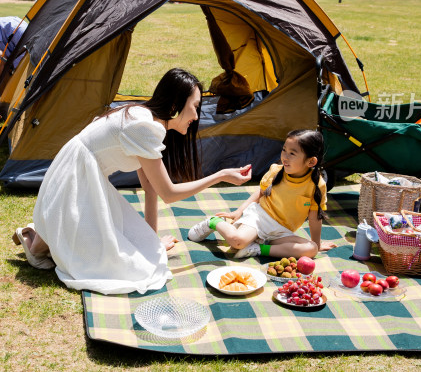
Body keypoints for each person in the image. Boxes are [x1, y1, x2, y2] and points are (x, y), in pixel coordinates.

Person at [13, 68, 252, 294]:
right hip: (75, 179)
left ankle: (44, 231)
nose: (196, 116)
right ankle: (41, 236)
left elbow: (150, 188)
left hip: (75, 174)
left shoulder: (142, 117)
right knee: (119, 266)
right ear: (175, 105)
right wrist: (220, 176)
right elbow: (168, 193)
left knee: (117, 249)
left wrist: (152, 244)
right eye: (195, 107)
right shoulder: (145, 127)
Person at [187, 129, 337, 258]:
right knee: (238, 241)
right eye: (284, 150)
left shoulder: (317, 185)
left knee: (311, 250)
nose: (285, 156)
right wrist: (239, 211)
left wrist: (317, 244)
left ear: (311, 162)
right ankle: (214, 222)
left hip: (282, 231)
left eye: (292, 153)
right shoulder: (275, 171)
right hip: (259, 218)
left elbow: (314, 217)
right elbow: (259, 194)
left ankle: (257, 249)